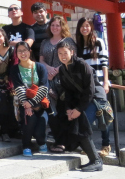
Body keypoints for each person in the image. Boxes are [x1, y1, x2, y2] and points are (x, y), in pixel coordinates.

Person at [56, 40, 103, 172]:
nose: (62, 56)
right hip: (78, 102)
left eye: (65, 52)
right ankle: (94, 159)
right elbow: (67, 92)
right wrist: (69, 110)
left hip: (93, 99)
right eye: (59, 53)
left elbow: (90, 90)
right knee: (73, 121)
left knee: (81, 123)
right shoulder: (61, 69)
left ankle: (96, 160)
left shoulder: (82, 64)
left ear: (72, 52)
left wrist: (78, 110)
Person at [39, 15, 76, 152]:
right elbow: (41, 60)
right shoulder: (45, 42)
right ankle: (58, 140)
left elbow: (72, 60)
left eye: (58, 25)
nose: (55, 27)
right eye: (52, 25)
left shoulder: (69, 41)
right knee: (51, 110)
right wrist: (48, 69)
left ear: (62, 27)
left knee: (64, 110)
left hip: (64, 79)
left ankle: (67, 141)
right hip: (48, 79)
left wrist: (57, 70)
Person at [76, 18, 111, 158]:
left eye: (87, 26)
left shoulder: (98, 42)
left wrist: (106, 82)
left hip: (98, 82)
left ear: (91, 27)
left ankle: (105, 144)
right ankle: (88, 144)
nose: (85, 29)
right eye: (82, 26)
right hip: (84, 84)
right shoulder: (77, 45)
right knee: (87, 115)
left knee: (103, 113)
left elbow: (104, 62)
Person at [10, 42, 49, 157]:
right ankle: (26, 145)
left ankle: (42, 142)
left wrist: (31, 103)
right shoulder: (15, 69)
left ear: (29, 51)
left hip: (40, 103)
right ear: (16, 54)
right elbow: (19, 88)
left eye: (24, 50)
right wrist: (26, 104)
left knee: (40, 129)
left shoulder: (40, 67)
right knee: (29, 120)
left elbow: (44, 87)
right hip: (24, 103)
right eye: (19, 51)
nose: (22, 53)